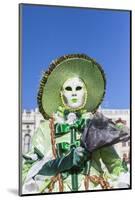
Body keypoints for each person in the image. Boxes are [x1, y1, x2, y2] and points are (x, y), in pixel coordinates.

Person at [22, 54, 130, 194]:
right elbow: (28, 170)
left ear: (85, 93)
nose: (73, 93)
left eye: (78, 88)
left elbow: (115, 165)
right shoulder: (45, 128)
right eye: (68, 89)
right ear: (61, 94)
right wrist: (62, 162)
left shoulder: (97, 126)